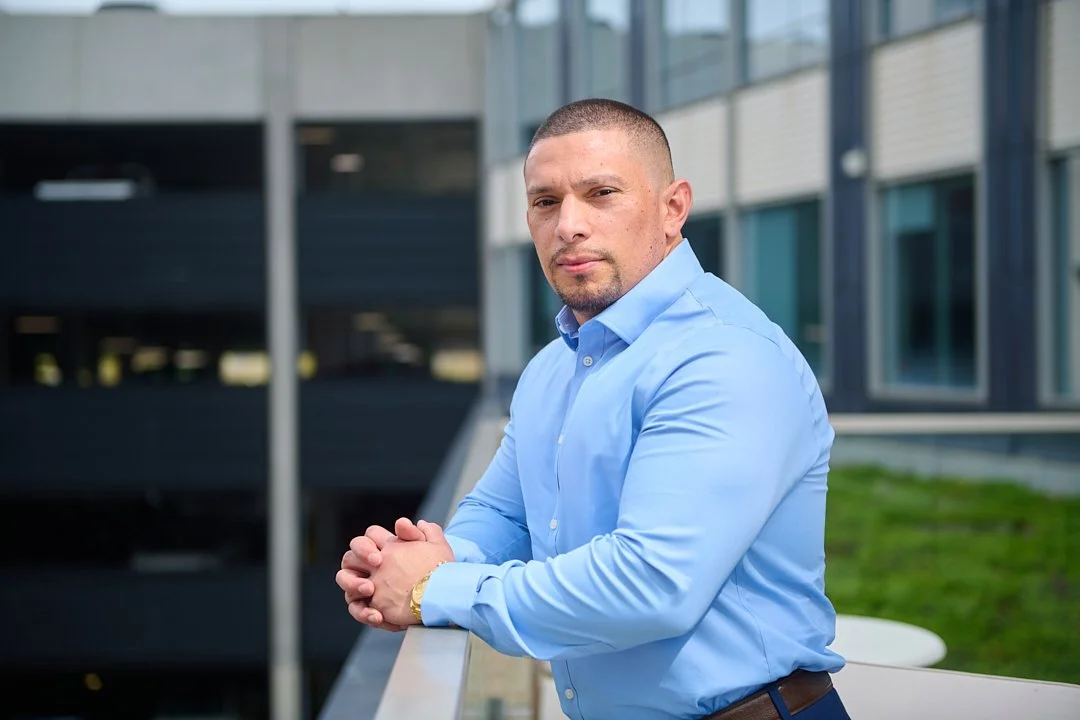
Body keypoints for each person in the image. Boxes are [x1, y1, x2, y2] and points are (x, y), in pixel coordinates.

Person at [336, 98, 850, 720]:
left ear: (673, 209)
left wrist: (432, 589)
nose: (568, 225)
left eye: (601, 193)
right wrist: (408, 564)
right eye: (545, 201)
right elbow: (505, 514)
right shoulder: (553, 368)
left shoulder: (723, 356)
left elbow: (651, 584)